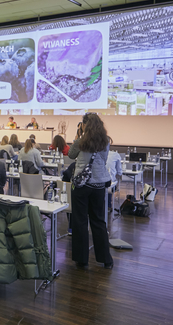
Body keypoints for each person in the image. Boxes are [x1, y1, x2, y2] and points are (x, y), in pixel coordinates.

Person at [68, 113, 113, 269]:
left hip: (82, 184)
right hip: (99, 185)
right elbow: (104, 160)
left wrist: (77, 136)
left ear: (84, 125)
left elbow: (70, 154)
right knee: (99, 221)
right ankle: (105, 259)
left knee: (80, 221)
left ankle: (82, 259)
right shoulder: (105, 141)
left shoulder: (81, 141)